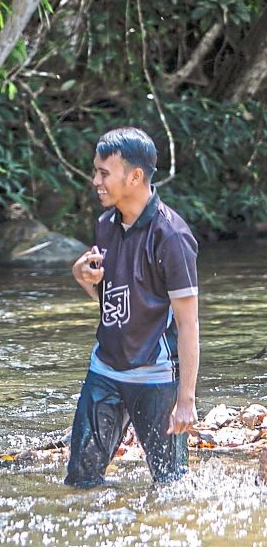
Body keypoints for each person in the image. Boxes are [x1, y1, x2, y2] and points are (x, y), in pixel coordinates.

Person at [66, 127, 199, 487]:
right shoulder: (104, 224)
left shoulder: (171, 236)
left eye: (104, 173)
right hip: (105, 369)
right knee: (80, 481)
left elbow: (188, 324)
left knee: (170, 486)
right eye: (96, 171)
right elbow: (117, 304)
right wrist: (83, 279)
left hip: (155, 377)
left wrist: (185, 400)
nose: (96, 181)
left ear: (135, 176)